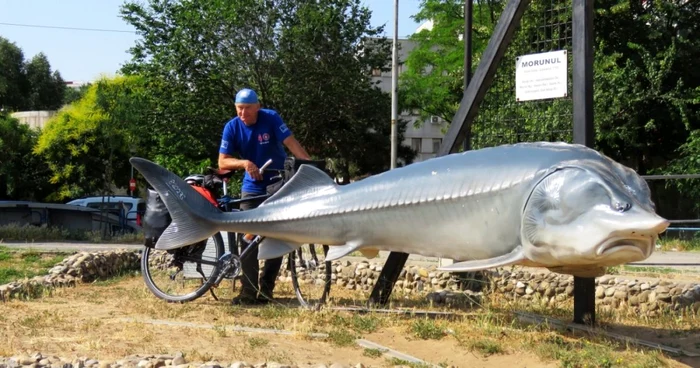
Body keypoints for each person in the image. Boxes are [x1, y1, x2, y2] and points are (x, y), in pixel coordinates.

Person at [218, 87, 311, 305]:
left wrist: (310, 165)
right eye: (239, 109)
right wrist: (244, 163)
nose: (243, 113)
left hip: (277, 183)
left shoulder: (270, 118)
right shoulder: (231, 127)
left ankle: (267, 289)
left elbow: (291, 143)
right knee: (247, 238)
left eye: (248, 108)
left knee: (276, 235)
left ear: (258, 106)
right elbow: (222, 161)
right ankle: (248, 291)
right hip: (252, 186)